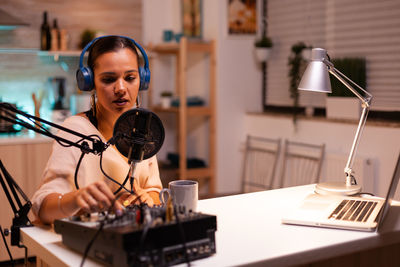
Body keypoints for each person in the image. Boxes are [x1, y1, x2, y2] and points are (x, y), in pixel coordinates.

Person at [31, 36, 162, 224]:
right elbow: (43, 208)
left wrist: (147, 200)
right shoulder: (74, 130)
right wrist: (76, 199)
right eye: (109, 79)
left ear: (142, 80)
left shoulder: (142, 128)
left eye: (130, 78)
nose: (121, 88)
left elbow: (154, 191)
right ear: (89, 82)